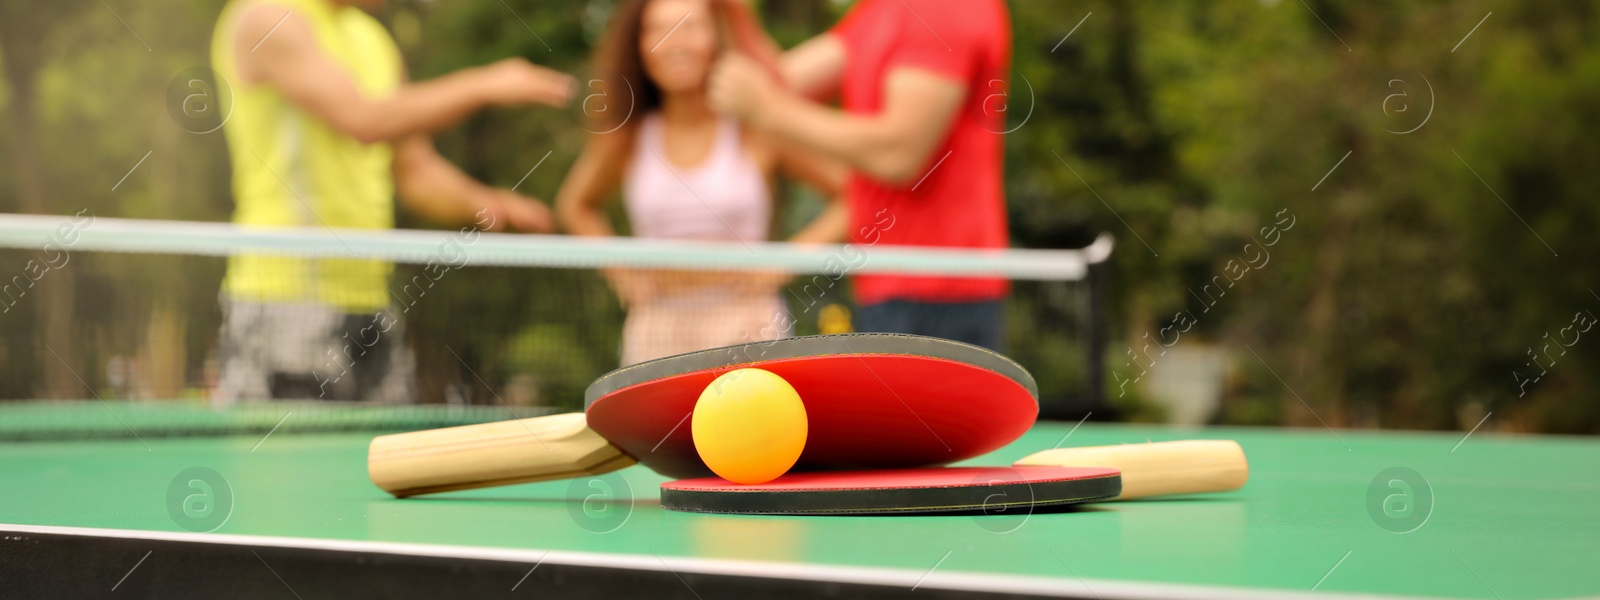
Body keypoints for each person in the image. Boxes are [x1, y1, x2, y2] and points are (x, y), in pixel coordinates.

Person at [210, 0, 572, 403]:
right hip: (282, 299)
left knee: (376, 462)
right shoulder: (268, 17)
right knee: (291, 467)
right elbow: (364, 119)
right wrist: (484, 84)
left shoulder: (372, 39)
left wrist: (487, 203)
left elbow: (413, 170)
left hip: (369, 302)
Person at [708, 0, 1013, 351]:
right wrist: (732, 11)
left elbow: (899, 154)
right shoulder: (880, 10)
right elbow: (779, 81)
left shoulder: (945, 8)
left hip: (941, 294)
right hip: (885, 287)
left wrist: (768, 111)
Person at [555, 0, 848, 365]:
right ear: (638, 45)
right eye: (657, 29)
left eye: (690, 27)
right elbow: (575, 204)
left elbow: (852, 195)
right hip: (656, 331)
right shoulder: (627, 136)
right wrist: (621, 272)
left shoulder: (755, 128)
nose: (675, 42)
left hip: (750, 328)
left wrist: (785, 261)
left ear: (716, 37)